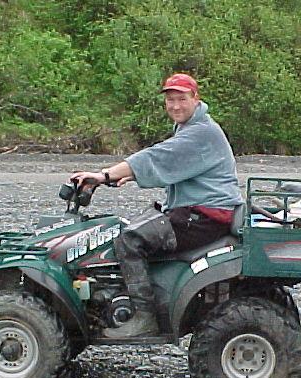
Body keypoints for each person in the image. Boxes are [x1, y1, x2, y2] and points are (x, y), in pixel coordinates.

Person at [70, 73, 243, 338]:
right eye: (170, 100)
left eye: (181, 99)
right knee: (137, 225)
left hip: (205, 215)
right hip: (197, 210)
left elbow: (156, 157)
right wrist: (128, 175)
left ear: (196, 99)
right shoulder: (192, 126)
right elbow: (174, 165)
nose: (175, 106)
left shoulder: (201, 132)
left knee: (129, 240)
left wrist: (104, 175)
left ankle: (144, 317)